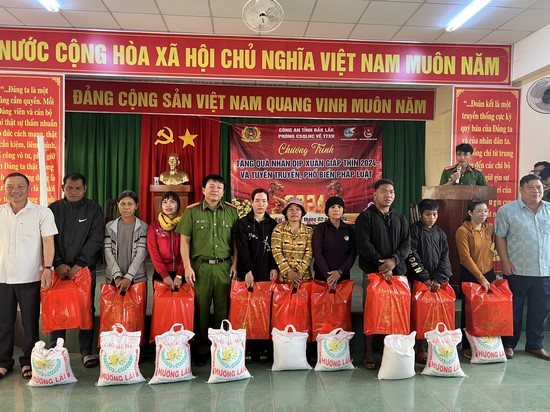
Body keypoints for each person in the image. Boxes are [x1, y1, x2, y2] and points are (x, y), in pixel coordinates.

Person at [176, 174, 239, 366]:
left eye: (219, 187)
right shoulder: (192, 212)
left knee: (223, 308)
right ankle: (202, 348)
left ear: (223, 191)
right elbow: (184, 241)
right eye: (211, 186)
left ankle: (221, 347)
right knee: (201, 309)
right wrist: (187, 267)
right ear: (203, 190)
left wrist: (235, 264)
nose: (215, 190)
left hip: (224, 267)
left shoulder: (231, 212)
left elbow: (236, 242)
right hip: (200, 267)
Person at [0, 172, 57, 380]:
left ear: (29, 189)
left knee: (30, 323)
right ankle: (3, 362)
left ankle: (29, 362)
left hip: (30, 276)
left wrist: (48, 267)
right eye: (10, 187)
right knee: (3, 322)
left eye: (20, 186)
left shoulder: (41, 213)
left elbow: (48, 242)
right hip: (2, 277)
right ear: (4, 189)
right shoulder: (0, 212)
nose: (15, 191)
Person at [48, 172, 104, 368]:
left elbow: (96, 238)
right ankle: (56, 350)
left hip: (85, 269)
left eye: (78, 188)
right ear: (62, 188)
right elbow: (48, 238)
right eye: (69, 188)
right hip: (59, 269)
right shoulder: (53, 209)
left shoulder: (93, 209)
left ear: (85, 189)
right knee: (58, 308)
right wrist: (58, 263)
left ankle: (86, 351)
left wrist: (79, 265)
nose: (73, 192)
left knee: (86, 308)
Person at [355, 178, 410, 370]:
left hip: (396, 274)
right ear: (375, 194)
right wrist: (382, 265)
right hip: (373, 273)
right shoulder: (365, 217)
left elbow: (406, 243)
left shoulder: (400, 218)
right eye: (384, 191)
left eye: (391, 192)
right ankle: (368, 352)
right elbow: (364, 244)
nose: (388, 195)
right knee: (371, 312)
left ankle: (393, 351)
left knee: (395, 313)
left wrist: (393, 261)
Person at [495, 174, 550, 361]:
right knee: (513, 310)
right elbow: (500, 236)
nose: (536, 191)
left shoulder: (549, 210)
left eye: (539, 187)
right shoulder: (507, 211)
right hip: (517, 269)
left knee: (540, 310)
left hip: (544, 271)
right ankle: (509, 344)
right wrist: (504, 261)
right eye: (530, 187)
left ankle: (535, 345)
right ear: (521, 189)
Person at [235, 188, 278, 362]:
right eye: (257, 201)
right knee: (248, 311)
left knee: (264, 311)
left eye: (263, 201)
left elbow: (275, 249)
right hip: (248, 274)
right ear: (251, 202)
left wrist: (274, 267)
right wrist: (247, 271)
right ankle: (249, 347)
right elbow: (242, 249)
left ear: (268, 203)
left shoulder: (273, 224)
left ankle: (264, 347)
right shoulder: (243, 223)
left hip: (267, 273)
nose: (260, 204)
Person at [407, 199, 452, 364]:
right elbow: (411, 255)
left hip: (436, 283)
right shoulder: (413, 231)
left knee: (435, 315)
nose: (431, 218)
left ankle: (436, 346)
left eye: (434, 214)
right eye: (428, 214)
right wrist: (425, 278)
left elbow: (445, 257)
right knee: (419, 315)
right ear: (420, 215)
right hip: (419, 281)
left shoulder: (440, 233)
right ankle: (419, 348)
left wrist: (438, 278)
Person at [455, 198, 495, 359]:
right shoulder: (462, 231)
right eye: (479, 211)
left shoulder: (489, 229)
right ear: (470, 213)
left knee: (487, 310)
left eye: (485, 211)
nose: (483, 214)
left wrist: (487, 277)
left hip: (489, 273)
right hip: (470, 274)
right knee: (469, 312)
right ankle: (467, 345)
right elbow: (465, 258)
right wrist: (480, 278)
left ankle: (486, 343)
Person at [104, 190, 149, 293]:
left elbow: (141, 254)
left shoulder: (143, 227)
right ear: (118, 205)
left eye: (130, 204)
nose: (126, 207)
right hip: (114, 278)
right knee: (113, 304)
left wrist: (128, 277)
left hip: (137, 277)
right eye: (123, 204)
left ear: (136, 206)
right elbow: (108, 253)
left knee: (137, 304)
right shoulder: (109, 226)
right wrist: (117, 276)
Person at [312, 196, 356, 289]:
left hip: (343, 276)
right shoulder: (321, 228)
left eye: (339, 207)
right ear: (327, 211)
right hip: (322, 277)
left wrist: (340, 272)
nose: (336, 209)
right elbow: (317, 253)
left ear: (343, 210)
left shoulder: (349, 230)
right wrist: (329, 276)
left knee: (342, 299)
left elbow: (352, 254)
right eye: (332, 207)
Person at [271, 197, 313, 287]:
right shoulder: (278, 229)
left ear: (302, 213)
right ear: (286, 213)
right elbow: (276, 252)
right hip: (284, 280)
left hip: (304, 279)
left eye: (297, 209)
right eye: (291, 209)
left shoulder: (309, 231)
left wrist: (298, 273)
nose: (294, 212)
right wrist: (289, 272)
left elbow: (309, 253)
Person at [147, 191, 184, 291]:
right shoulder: (154, 227)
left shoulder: (185, 224)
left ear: (178, 205)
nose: (168, 205)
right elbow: (153, 252)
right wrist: (164, 274)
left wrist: (180, 274)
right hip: (161, 273)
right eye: (165, 202)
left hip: (182, 273)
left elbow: (188, 250)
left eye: (172, 202)